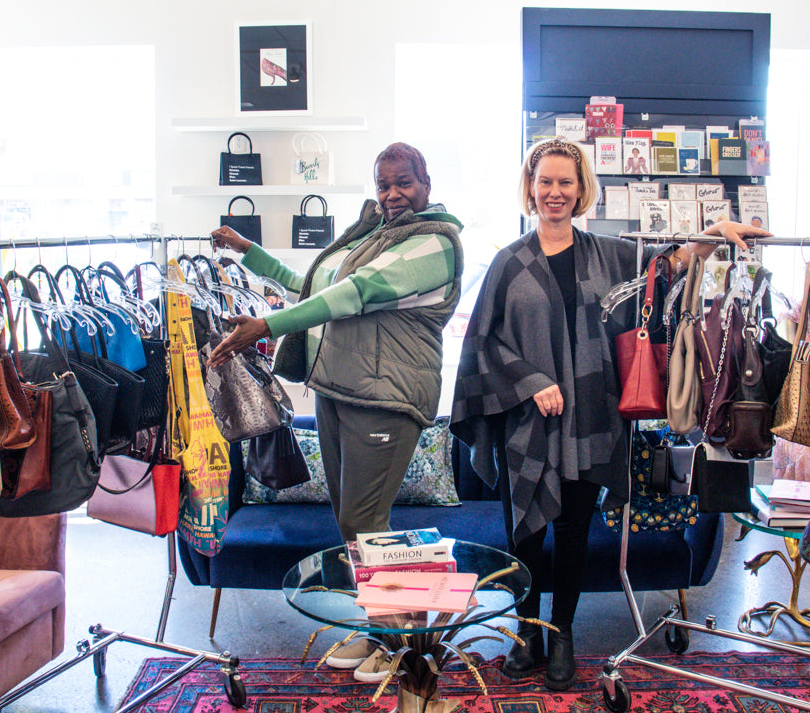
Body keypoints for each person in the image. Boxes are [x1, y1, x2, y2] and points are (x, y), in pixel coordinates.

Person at [450, 137, 768, 691]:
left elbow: (666, 265)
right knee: (523, 533)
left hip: (590, 419)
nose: (554, 192)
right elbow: (485, 342)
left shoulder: (609, 254)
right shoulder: (508, 262)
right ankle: (527, 634)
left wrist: (714, 236)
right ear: (531, 188)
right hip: (527, 424)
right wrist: (532, 382)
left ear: (581, 191)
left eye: (565, 183)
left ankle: (564, 635)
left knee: (574, 531)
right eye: (545, 182)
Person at [210, 142, 463, 681]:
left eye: (404, 182)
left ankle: (397, 641)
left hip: (387, 397)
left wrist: (269, 326)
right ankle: (382, 629)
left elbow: (357, 291)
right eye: (383, 184)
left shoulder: (437, 244)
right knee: (352, 524)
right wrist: (248, 251)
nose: (393, 194)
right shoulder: (373, 235)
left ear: (426, 184)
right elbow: (316, 284)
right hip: (341, 389)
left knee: (366, 521)